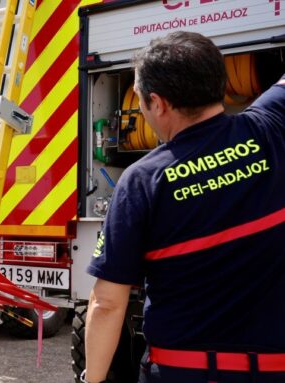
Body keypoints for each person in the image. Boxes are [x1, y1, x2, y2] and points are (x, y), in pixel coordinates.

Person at [83, 31, 285, 383]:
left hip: (183, 371)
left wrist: (92, 380)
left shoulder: (139, 183)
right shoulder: (268, 127)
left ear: (157, 103)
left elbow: (108, 304)